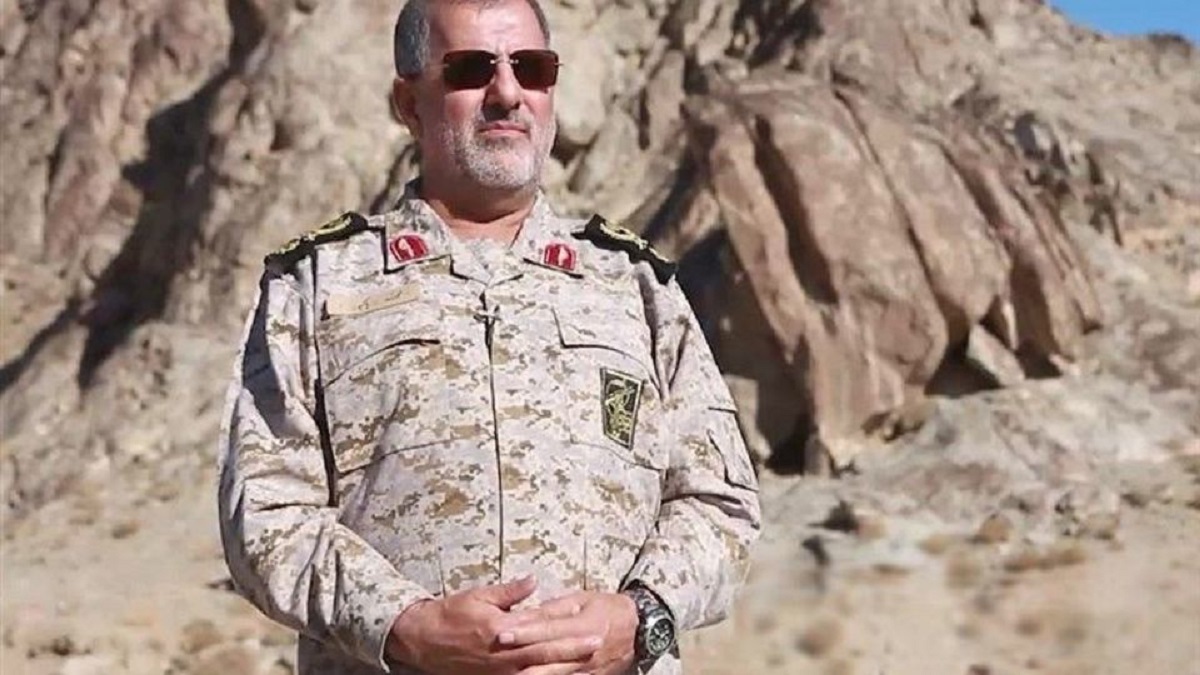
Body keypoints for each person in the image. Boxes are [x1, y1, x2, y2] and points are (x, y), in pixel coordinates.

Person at [216, 0, 761, 673]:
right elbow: (267, 512)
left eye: (531, 68)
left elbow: (720, 503)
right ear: (409, 104)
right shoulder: (319, 285)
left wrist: (641, 615)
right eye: (471, 70)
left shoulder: (636, 288)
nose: (507, 93)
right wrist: (402, 625)